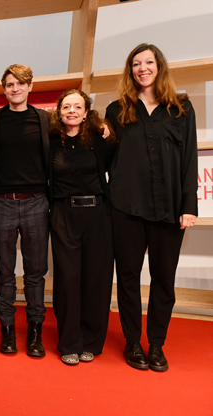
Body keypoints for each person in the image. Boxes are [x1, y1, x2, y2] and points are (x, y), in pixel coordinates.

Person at [105, 43, 198, 372]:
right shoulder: (117, 110)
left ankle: (156, 343)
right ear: (130, 70)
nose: (142, 68)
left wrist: (189, 206)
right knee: (128, 278)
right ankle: (133, 342)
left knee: (163, 279)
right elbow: (107, 159)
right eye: (135, 63)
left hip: (170, 210)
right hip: (125, 208)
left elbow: (189, 160)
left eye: (148, 62)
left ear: (160, 66)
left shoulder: (181, 108)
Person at [0, 64, 50, 358]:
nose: (15, 89)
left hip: (37, 201)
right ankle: (7, 332)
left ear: (30, 87)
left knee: (36, 272)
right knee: (5, 273)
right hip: (1, 203)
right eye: (10, 84)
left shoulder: (45, 119)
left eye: (20, 84)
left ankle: (35, 334)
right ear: (4, 89)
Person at [48, 89, 116, 365]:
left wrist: (105, 127)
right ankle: (69, 342)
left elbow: (115, 162)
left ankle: (91, 340)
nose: (72, 111)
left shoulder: (101, 141)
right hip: (64, 213)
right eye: (67, 107)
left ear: (87, 112)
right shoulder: (51, 140)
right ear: (59, 112)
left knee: (96, 279)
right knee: (67, 279)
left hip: (98, 213)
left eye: (78, 106)